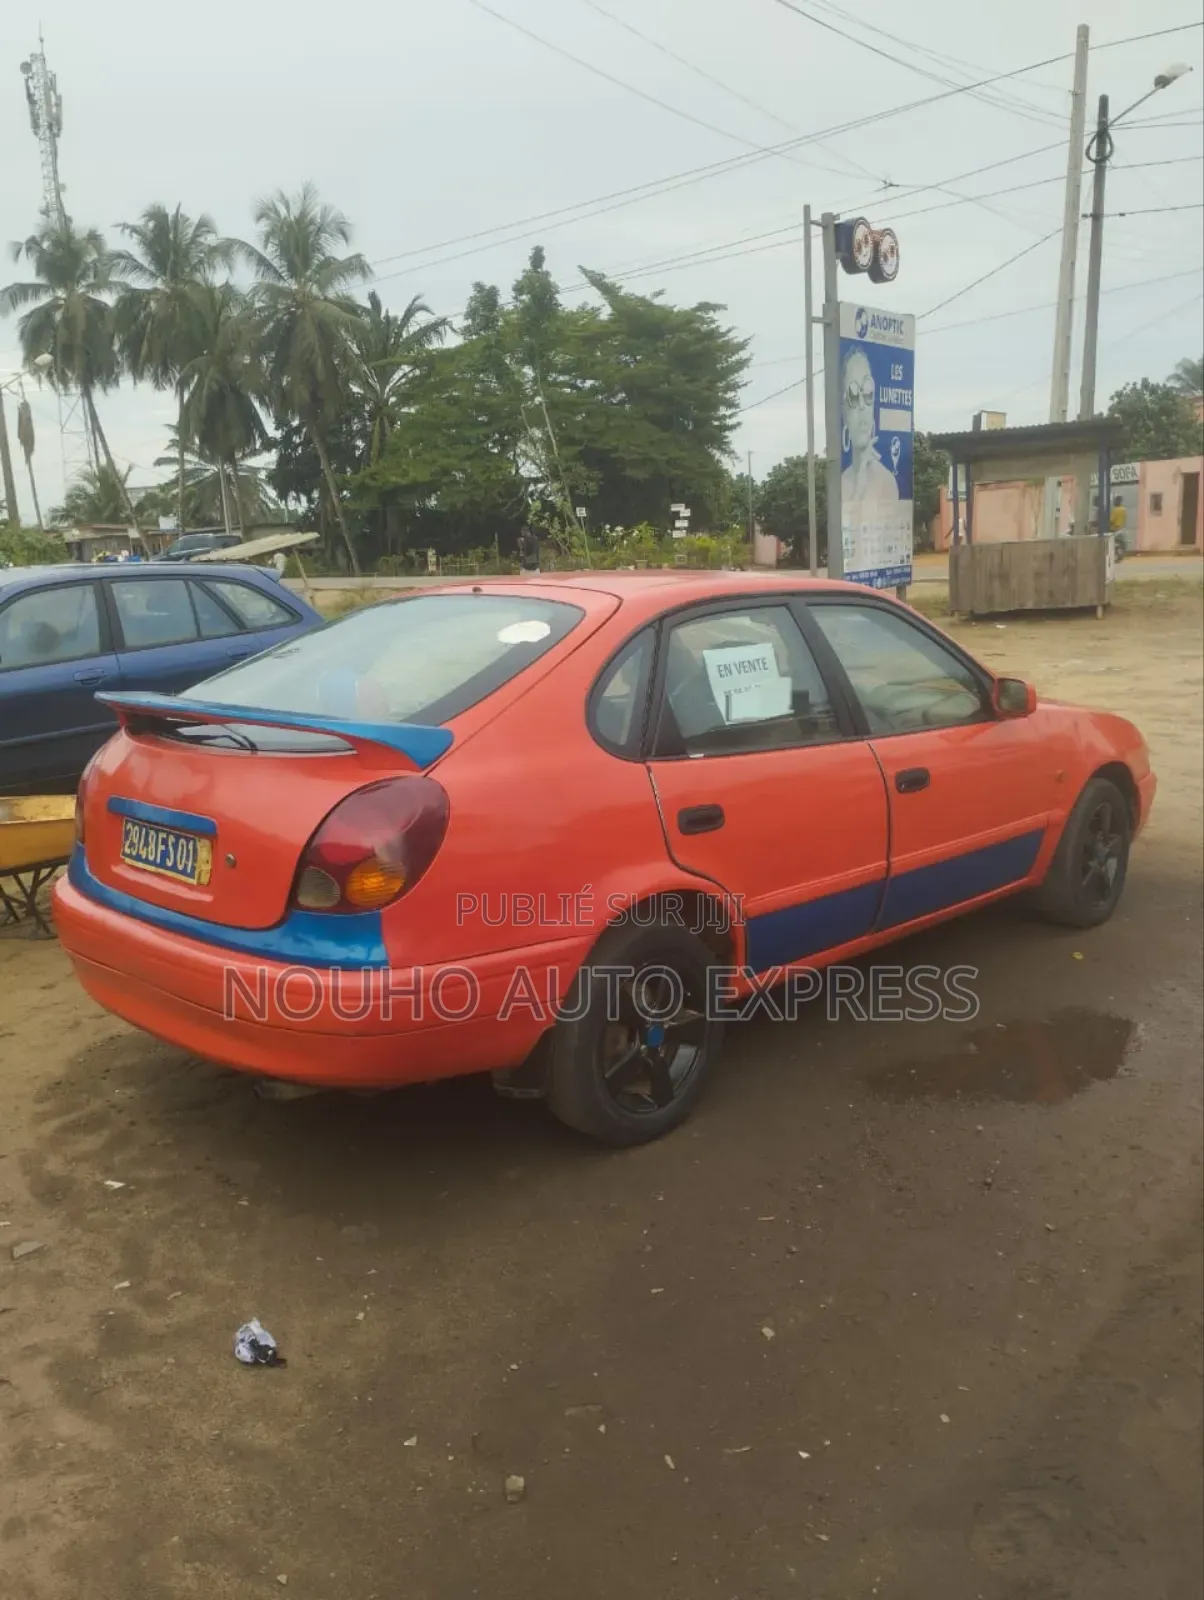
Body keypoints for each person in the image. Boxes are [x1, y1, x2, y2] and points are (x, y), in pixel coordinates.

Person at [840, 347, 899, 509]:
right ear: (844, 413)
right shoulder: (840, 485)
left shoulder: (887, 482)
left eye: (867, 392)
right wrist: (860, 487)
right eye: (852, 395)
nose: (861, 406)